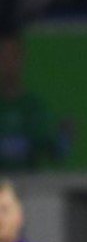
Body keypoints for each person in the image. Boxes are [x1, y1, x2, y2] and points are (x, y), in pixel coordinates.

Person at [0, 32, 66, 170]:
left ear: (21, 60)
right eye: (3, 58)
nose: (8, 64)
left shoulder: (34, 106)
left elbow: (51, 152)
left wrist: (64, 139)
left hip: (27, 181)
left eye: (13, 57)